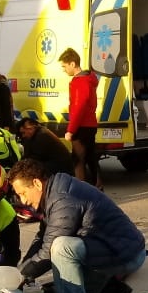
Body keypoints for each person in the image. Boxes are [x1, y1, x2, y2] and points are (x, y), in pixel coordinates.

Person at [9, 158, 147, 293]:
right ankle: (111, 288)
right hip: (112, 249)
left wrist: (21, 276)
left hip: (127, 254)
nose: (23, 201)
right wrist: (21, 270)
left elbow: (49, 249)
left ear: (36, 183)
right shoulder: (55, 191)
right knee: (59, 280)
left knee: (61, 247)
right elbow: (42, 237)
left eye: (22, 193)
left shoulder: (64, 199)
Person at [59, 48, 101, 188]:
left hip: (81, 126)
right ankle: (98, 187)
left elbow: (79, 107)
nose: (64, 70)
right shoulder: (89, 79)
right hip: (90, 125)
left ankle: (81, 191)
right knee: (91, 158)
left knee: (78, 160)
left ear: (72, 64)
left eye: (64, 66)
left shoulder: (80, 82)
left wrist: (71, 130)